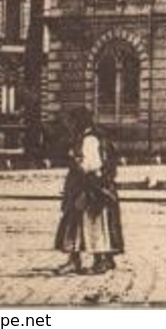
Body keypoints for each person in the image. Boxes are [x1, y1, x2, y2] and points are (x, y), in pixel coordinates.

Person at [54, 115, 124, 274]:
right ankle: (77, 260)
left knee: (91, 224)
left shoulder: (89, 140)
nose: (69, 127)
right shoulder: (91, 137)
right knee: (77, 224)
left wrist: (75, 160)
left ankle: (100, 261)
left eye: (71, 123)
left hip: (90, 188)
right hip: (89, 187)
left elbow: (91, 166)